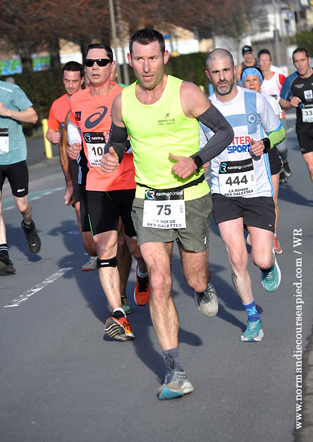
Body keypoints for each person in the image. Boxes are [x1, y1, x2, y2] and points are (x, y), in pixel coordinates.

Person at [101, 28, 233, 400]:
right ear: (130, 60)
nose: (146, 66)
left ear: (165, 57)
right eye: (139, 58)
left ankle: (202, 288)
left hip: (190, 197)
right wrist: (114, 152)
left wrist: (195, 160)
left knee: (192, 279)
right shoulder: (122, 101)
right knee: (159, 281)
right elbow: (120, 138)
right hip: (149, 200)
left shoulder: (186, 92)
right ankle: (175, 371)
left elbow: (224, 131)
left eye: (153, 58)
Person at [68, 42, 149, 341]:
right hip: (97, 185)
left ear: (112, 66)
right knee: (105, 249)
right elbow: (74, 134)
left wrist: (119, 145)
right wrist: (74, 145)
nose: (95, 67)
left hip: (130, 182)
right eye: (89, 63)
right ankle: (118, 314)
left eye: (101, 62)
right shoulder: (76, 101)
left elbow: (143, 137)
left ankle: (142, 275)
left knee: (139, 249)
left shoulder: (128, 95)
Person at [203, 49, 284, 344]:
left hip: (257, 190)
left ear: (234, 70)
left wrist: (264, 142)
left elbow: (279, 132)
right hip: (224, 193)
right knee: (237, 258)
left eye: (226, 70)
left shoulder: (255, 100)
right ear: (208, 76)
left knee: (260, 258)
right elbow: (202, 153)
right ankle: (252, 319)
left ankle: (267, 265)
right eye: (216, 72)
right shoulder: (204, 110)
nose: (222, 77)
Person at [46, 61, 98, 271]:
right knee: (79, 209)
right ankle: (93, 254)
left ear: (82, 80)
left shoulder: (91, 98)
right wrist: (52, 135)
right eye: (67, 81)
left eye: (74, 81)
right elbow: (51, 132)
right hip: (75, 164)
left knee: (102, 207)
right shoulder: (57, 104)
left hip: (97, 160)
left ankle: (114, 246)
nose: (70, 85)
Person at [0, 53, 41, 274]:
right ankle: (4, 255)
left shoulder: (11, 91)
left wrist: (6, 111)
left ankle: (28, 226)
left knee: (22, 206)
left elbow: (32, 117)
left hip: (14, 157)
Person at [241, 66, 285, 254]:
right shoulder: (237, 103)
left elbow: (278, 131)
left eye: (255, 80)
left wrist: (265, 142)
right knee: (247, 200)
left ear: (261, 82)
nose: (251, 84)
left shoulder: (269, 101)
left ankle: (273, 236)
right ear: (243, 83)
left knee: (271, 199)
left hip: (268, 154)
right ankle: (254, 230)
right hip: (246, 157)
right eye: (247, 81)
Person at [258, 49, 292, 181]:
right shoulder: (257, 80)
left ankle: (284, 160)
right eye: (262, 60)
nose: (264, 63)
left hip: (279, 116)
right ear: (259, 62)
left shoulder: (279, 77)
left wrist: (288, 103)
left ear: (270, 62)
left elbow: (289, 93)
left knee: (282, 147)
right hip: (263, 119)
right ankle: (275, 171)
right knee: (269, 147)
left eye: (267, 60)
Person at [279, 47, 313, 182]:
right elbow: (282, 103)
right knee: (311, 167)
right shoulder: (290, 81)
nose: (300, 64)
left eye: (303, 60)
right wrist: (290, 103)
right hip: (304, 129)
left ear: (309, 60)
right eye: (296, 61)